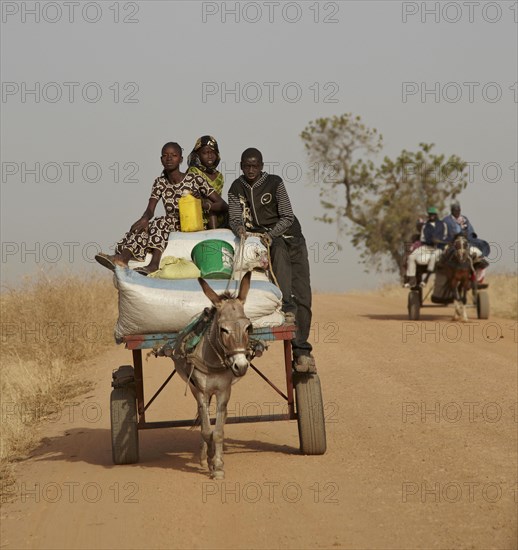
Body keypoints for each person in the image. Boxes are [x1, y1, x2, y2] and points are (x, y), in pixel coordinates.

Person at [227, 147, 316, 373]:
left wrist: (270, 233)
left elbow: (287, 216)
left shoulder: (275, 183)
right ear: (240, 166)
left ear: (262, 166)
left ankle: (302, 351)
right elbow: (235, 217)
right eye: (246, 166)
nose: (250, 170)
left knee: (303, 295)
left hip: (292, 239)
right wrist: (239, 229)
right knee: (280, 266)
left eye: (255, 166)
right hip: (270, 243)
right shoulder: (236, 188)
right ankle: (286, 306)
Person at [95, 141, 227, 275]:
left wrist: (203, 204)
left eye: (174, 155)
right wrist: (144, 219)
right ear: (161, 160)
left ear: (181, 159)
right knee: (143, 226)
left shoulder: (194, 179)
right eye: (165, 155)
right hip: (171, 224)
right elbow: (150, 209)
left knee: (160, 221)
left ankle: (154, 264)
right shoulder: (160, 183)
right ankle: (122, 258)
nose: (169, 158)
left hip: (191, 223)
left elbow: (222, 204)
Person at [187, 135, 226, 229]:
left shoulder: (219, 176)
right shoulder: (194, 171)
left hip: (217, 213)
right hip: (199, 212)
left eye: (213, 152)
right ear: (197, 155)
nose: (210, 156)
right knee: (209, 202)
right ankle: (214, 234)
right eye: (205, 153)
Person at [404, 207, 448, 288]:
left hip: (438, 248)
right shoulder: (425, 226)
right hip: (427, 246)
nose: (431, 216)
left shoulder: (443, 224)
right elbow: (423, 239)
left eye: (433, 214)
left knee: (433, 257)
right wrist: (430, 241)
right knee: (411, 257)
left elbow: (446, 237)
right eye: (430, 214)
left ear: (436, 215)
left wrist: (439, 241)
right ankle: (412, 280)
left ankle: (426, 279)